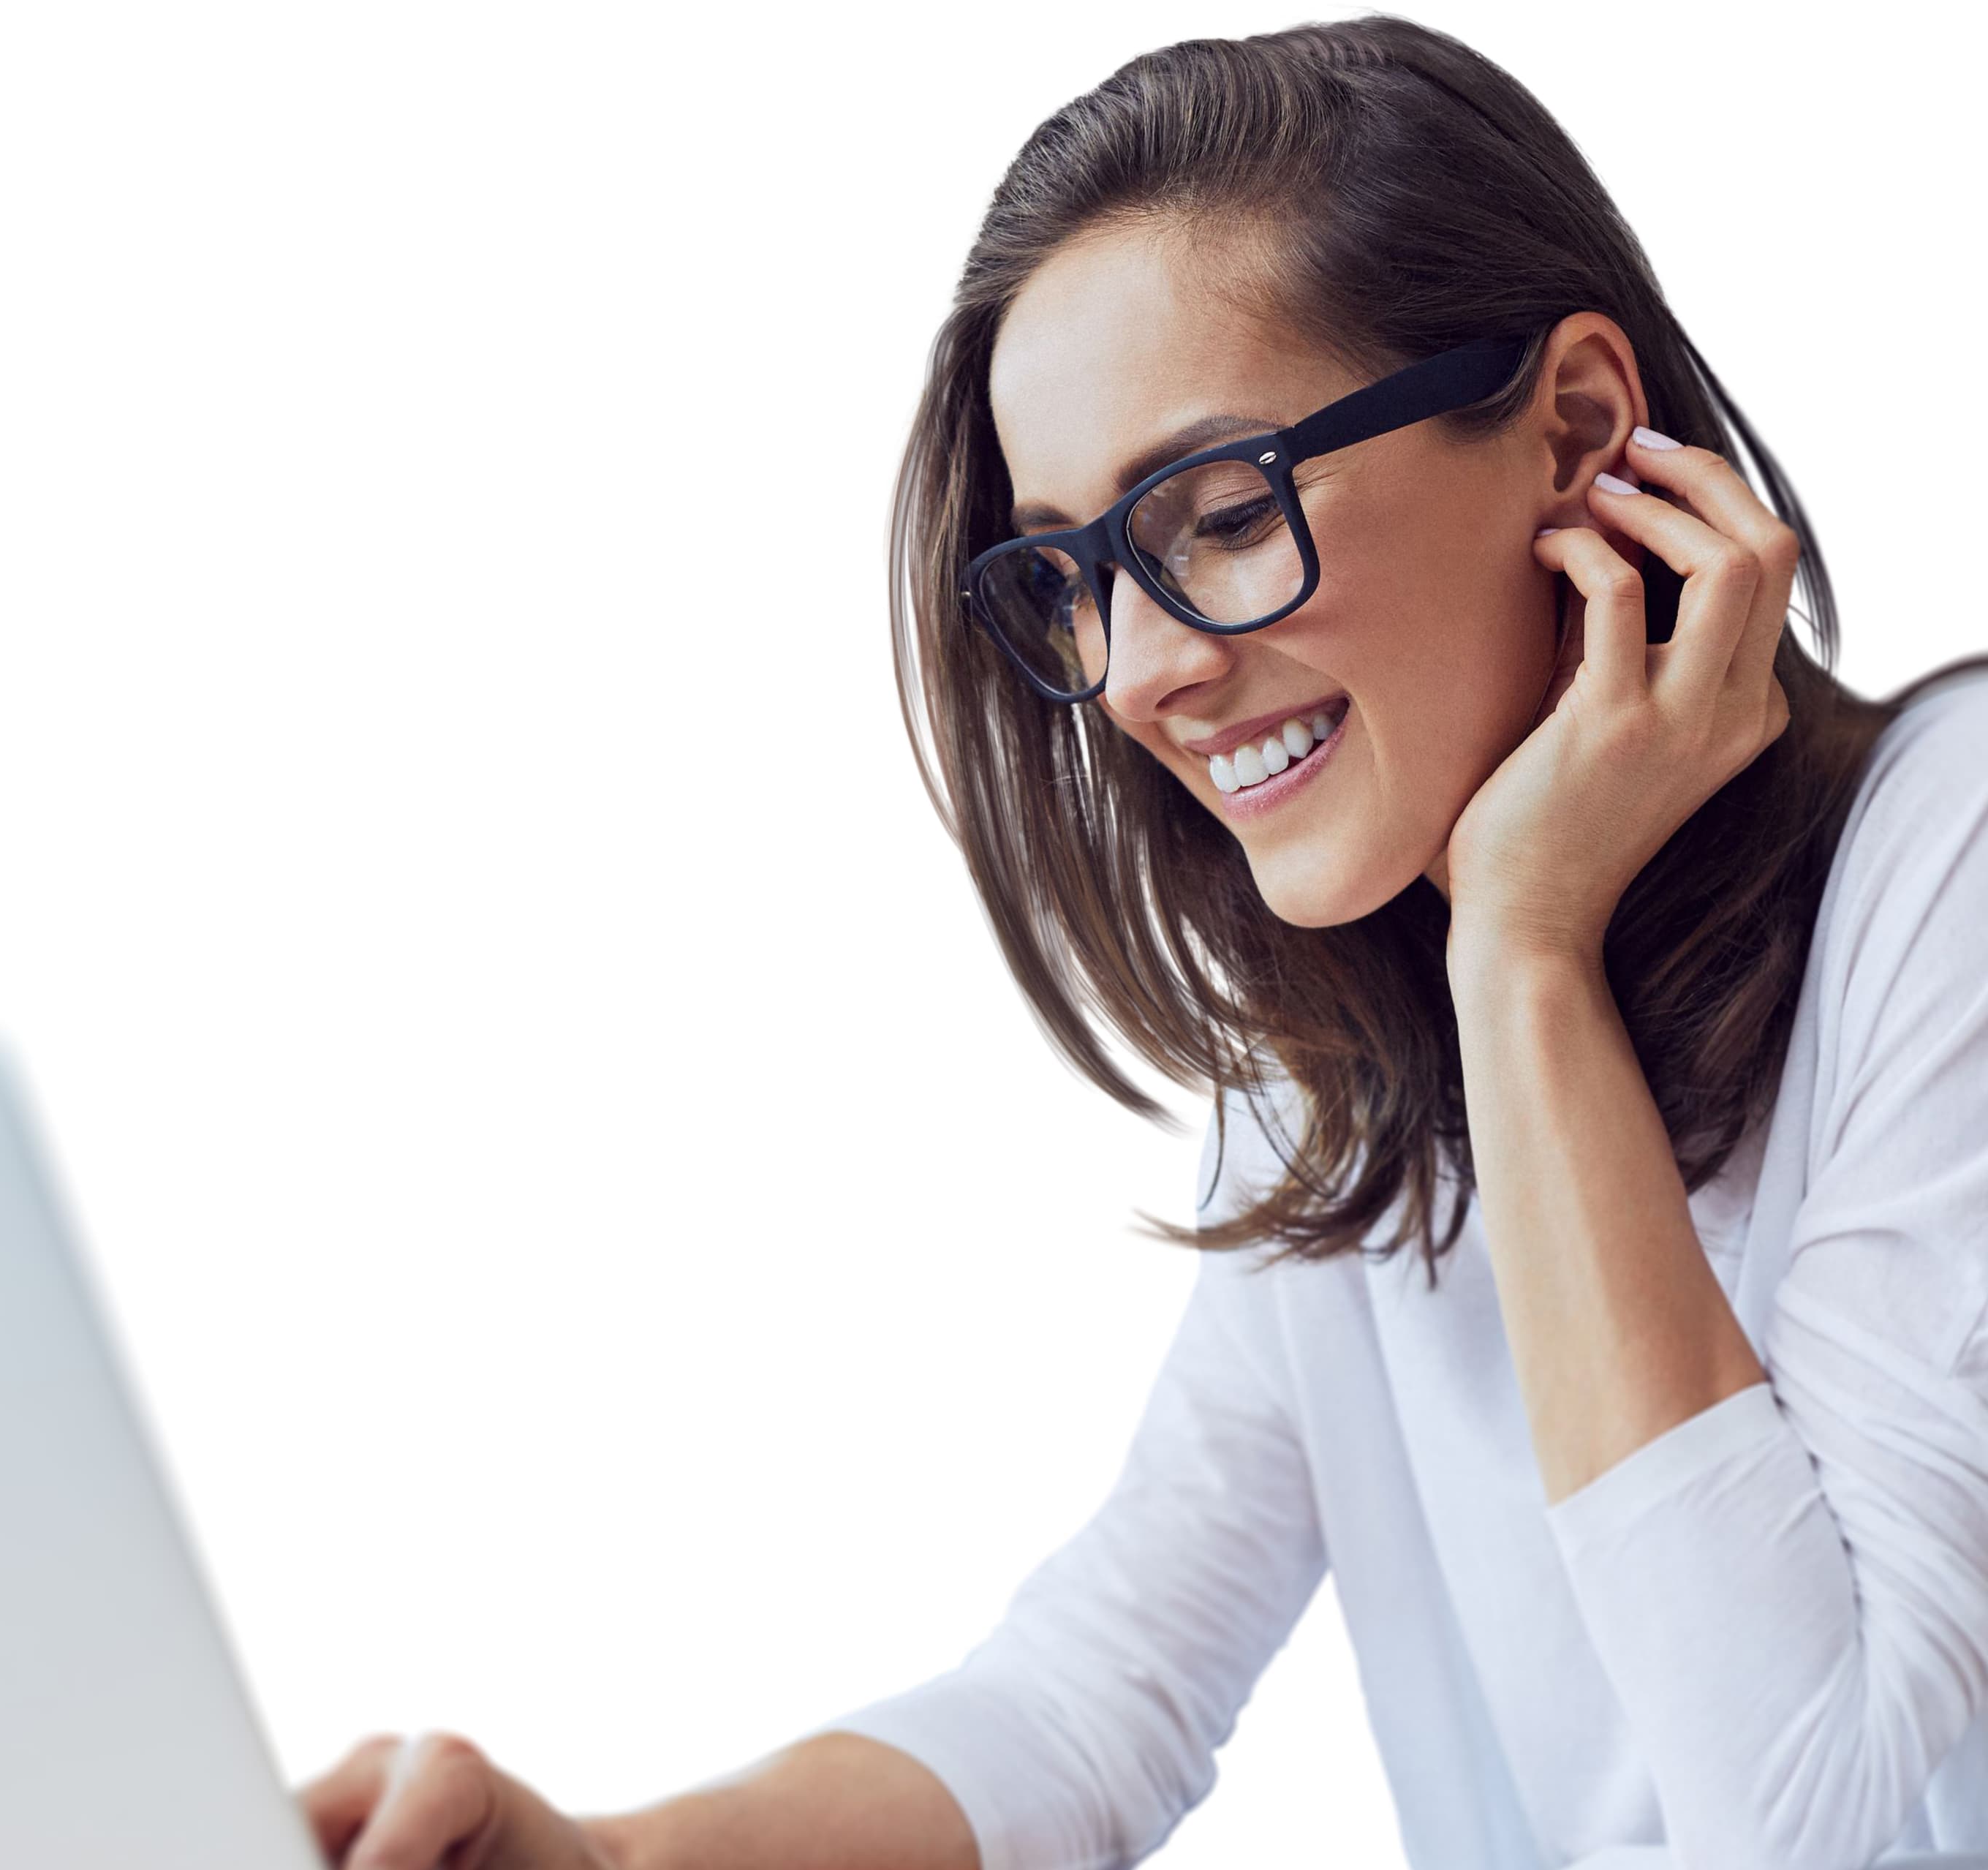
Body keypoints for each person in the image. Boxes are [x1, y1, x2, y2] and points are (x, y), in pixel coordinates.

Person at [295, 17, 1988, 1869]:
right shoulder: (1347, 1081)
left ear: (1577, 429)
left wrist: (1525, 956)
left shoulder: (1948, 855)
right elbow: (1093, 1696)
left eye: (1221, 511)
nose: (1148, 668)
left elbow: (1821, 1816)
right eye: (1075, 573)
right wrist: (606, 1858)